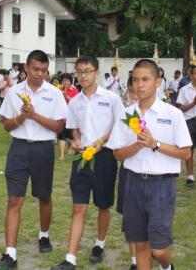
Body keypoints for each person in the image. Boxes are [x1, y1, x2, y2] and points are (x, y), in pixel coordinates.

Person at [108, 59, 192, 270]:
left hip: (161, 186)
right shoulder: (128, 115)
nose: (139, 85)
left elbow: (185, 153)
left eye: (145, 79)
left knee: (159, 249)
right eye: (135, 80)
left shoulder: (172, 114)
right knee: (141, 245)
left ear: (158, 82)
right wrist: (137, 145)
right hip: (134, 184)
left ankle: (167, 266)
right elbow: (117, 154)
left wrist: (154, 144)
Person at [0, 50, 68, 270]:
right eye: (36, 69)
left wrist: (34, 115)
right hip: (18, 149)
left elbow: (58, 127)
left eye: (44, 70)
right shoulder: (14, 92)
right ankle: (10, 254)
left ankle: (43, 235)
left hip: (43, 150)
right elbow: (7, 126)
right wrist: (22, 117)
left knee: (44, 197)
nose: (40, 74)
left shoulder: (54, 93)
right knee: (14, 200)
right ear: (26, 68)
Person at [51, 56, 124, 270]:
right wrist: (76, 141)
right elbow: (74, 128)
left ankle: (99, 244)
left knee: (103, 205)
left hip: (104, 157)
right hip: (82, 158)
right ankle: (70, 258)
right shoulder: (74, 102)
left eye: (87, 71)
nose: (82, 76)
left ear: (97, 73)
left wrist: (102, 141)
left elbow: (121, 126)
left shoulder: (112, 98)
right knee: (78, 207)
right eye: (79, 72)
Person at [118, 75, 139, 270]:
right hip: (129, 172)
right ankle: (135, 261)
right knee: (130, 219)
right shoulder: (126, 114)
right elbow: (118, 151)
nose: (135, 95)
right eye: (131, 91)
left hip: (154, 177)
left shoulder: (165, 112)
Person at [57, 73, 79, 161]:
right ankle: (61, 155)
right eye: (63, 80)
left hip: (71, 116)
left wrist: (66, 96)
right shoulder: (58, 89)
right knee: (61, 136)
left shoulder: (74, 89)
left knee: (71, 136)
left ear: (70, 81)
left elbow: (76, 103)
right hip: (61, 116)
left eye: (67, 80)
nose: (65, 82)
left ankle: (70, 148)